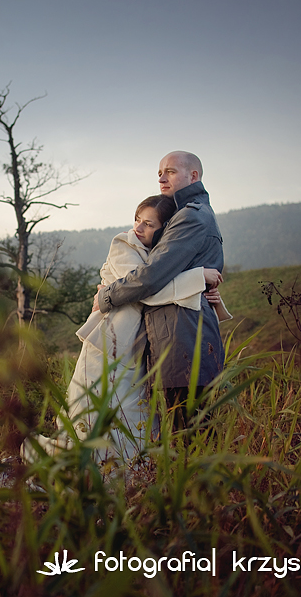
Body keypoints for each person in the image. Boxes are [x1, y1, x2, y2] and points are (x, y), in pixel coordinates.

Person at [21, 195, 230, 470]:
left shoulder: (159, 256)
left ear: (164, 229)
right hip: (108, 342)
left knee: (131, 405)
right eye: (137, 220)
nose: (138, 228)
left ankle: (127, 463)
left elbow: (160, 277)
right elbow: (147, 290)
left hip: (136, 346)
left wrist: (208, 292)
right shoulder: (123, 244)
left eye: (148, 224)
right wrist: (198, 277)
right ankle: (89, 462)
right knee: (97, 401)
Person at [93, 151, 225, 431]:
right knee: (188, 428)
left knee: (190, 430)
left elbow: (152, 276)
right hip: (179, 333)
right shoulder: (186, 214)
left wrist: (106, 296)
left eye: (171, 171)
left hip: (183, 335)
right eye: (160, 173)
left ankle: (196, 475)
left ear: (193, 176)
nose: (162, 178)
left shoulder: (190, 217)